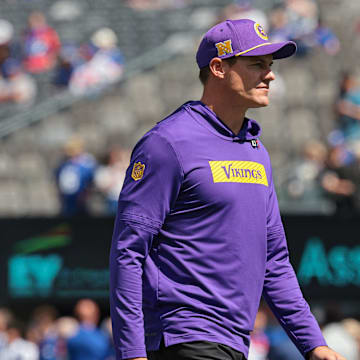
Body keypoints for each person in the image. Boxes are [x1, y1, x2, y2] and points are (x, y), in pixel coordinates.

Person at [109, 19, 345, 360]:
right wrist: (132, 351)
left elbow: (274, 261)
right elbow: (128, 250)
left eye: (270, 65)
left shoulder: (256, 151)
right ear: (218, 68)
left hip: (234, 342)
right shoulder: (167, 143)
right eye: (256, 64)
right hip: (181, 337)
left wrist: (314, 344)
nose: (270, 75)